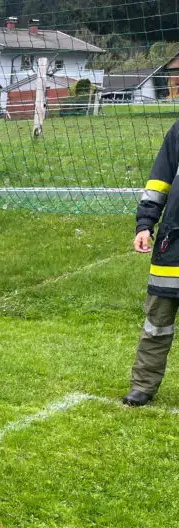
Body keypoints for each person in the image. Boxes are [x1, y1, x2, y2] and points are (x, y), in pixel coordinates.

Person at [125, 121, 179, 407]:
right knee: (157, 322)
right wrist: (145, 224)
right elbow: (159, 181)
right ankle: (143, 385)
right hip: (173, 243)